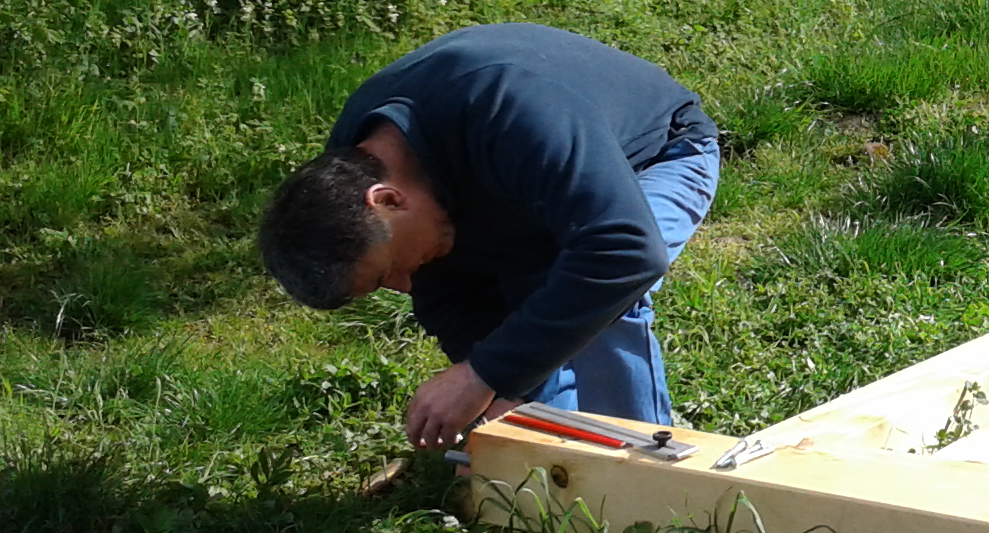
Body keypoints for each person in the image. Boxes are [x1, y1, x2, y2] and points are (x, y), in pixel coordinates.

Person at [258, 24, 720, 448]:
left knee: (603, 301)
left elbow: (626, 250)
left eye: (387, 273)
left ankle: (642, 473)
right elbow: (451, 298)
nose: (404, 285)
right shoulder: (351, 171)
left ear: (388, 200)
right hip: (533, 207)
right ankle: (561, 465)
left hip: (658, 154)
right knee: (531, 398)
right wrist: (501, 397)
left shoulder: (509, 108)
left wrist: (483, 375)